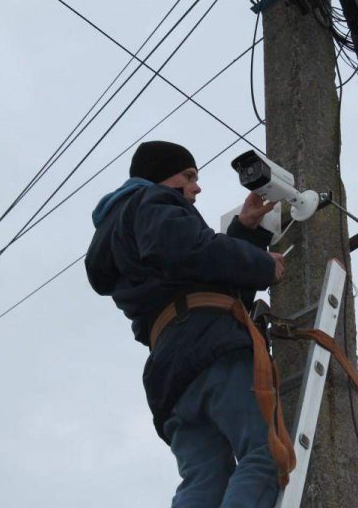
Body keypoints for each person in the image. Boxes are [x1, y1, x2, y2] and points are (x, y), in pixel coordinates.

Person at [85, 140, 287, 507]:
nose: (197, 186)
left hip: (171, 371)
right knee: (264, 455)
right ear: (162, 178)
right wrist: (262, 264)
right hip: (211, 349)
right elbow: (190, 251)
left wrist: (244, 232)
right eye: (189, 175)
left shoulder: (125, 236)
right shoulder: (151, 202)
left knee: (205, 482)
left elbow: (200, 280)